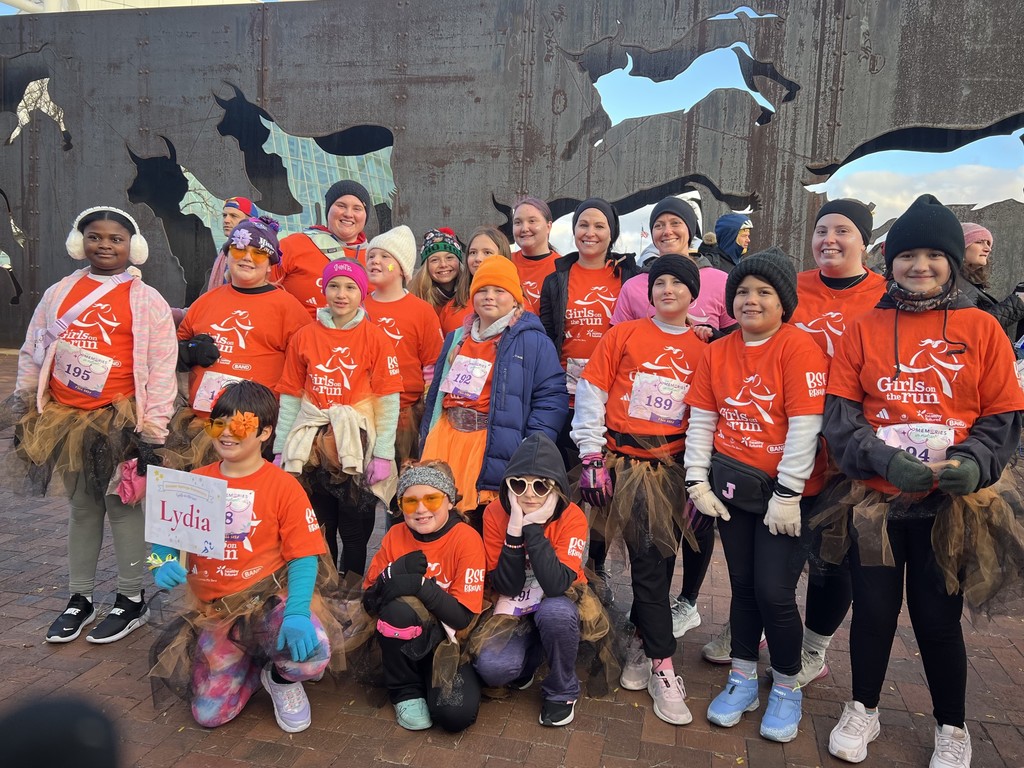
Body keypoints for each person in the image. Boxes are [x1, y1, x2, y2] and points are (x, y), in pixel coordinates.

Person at [823, 195, 1024, 767]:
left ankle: (951, 725)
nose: (920, 266)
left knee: (937, 619)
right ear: (892, 261)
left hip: (949, 508)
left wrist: (975, 462)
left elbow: (1002, 417)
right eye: (908, 254)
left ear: (954, 261)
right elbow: (842, 417)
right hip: (874, 504)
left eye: (934, 255)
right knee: (875, 613)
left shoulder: (982, 327)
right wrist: (882, 460)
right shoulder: (863, 328)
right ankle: (863, 707)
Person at [8, 206, 177, 644]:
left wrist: (153, 432)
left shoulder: (146, 299)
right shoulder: (59, 291)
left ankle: (130, 597)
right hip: (66, 417)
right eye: (95, 236)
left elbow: (161, 367)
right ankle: (79, 597)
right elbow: (33, 348)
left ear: (132, 246)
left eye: (116, 238)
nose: (105, 245)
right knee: (83, 509)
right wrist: (25, 405)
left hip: (120, 420)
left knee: (123, 508)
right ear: (79, 241)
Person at [684, 247, 828, 743]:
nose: (750, 300)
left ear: (784, 302)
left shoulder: (799, 348)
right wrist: (695, 480)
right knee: (743, 587)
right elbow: (704, 418)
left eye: (764, 292)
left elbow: (805, 427)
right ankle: (743, 676)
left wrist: (788, 493)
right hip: (733, 488)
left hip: (784, 496)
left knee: (774, 591)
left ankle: (787, 685)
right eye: (742, 291)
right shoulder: (718, 350)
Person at [149, 381, 342, 733]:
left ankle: (282, 680)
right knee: (209, 714)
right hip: (218, 608)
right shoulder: (194, 480)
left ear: (265, 431)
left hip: (267, 600)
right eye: (218, 424)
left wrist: (298, 612)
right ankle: (253, 668)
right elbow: (164, 538)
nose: (226, 434)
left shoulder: (284, 486)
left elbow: (304, 555)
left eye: (239, 425)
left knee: (310, 655)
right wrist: (160, 563)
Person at [572, 255, 711, 726]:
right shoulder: (623, 335)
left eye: (679, 283)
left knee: (655, 565)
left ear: (694, 293)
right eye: (660, 282)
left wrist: (697, 479)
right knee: (598, 557)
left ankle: (655, 656)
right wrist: (590, 454)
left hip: (667, 470)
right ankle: (646, 647)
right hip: (614, 464)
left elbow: (705, 418)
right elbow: (592, 390)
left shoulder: (704, 348)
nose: (668, 289)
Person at [420, 256, 567, 533]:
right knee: (443, 520)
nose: (489, 297)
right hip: (447, 437)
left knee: (485, 522)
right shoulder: (456, 338)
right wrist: (426, 435)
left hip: (492, 443)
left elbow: (551, 398)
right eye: (482, 290)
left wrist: (531, 446)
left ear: (515, 299)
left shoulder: (533, 340)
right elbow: (437, 396)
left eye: (499, 290)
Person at [275, 258, 401, 576]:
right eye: (333, 285)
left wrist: (384, 454)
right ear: (324, 289)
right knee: (320, 526)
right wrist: (281, 447)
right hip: (313, 445)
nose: (341, 294)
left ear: (361, 293)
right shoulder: (304, 336)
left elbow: (388, 402)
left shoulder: (375, 338)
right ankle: (327, 589)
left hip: (355, 444)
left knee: (354, 530)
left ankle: (351, 594)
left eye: (350, 287)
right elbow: (291, 397)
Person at [539, 197, 639, 578]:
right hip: (565, 396)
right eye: (583, 225)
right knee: (562, 484)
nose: (590, 233)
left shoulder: (629, 275)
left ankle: (596, 572)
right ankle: (557, 565)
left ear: (611, 232)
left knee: (601, 493)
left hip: (611, 399)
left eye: (599, 226)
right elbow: (548, 336)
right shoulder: (557, 278)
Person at [166, 216, 312, 469]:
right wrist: (190, 351)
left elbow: (305, 368)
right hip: (203, 428)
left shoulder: (289, 309)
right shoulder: (205, 302)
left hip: (256, 433)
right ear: (227, 255)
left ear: (270, 265)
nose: (247, 258)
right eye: (239, 249)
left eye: (258, 253)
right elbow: (171, 355)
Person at [472, 433, 593, 727]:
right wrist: (515, 530)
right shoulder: (494, 513)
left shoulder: (573, 517)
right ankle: (534, 651)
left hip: (557, 597)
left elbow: (556, 585)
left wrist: (534, 529)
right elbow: (507, 586)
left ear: (556, 490)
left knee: (555, 613)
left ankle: (562, 690)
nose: (529, 494)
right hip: (513, 601)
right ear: (508, 486)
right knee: (493, 668)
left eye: (541, 486)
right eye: (519, 484)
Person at [362, 461, 486, 732]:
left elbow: (461, 617)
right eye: (410, 502)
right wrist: (391, 574)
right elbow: (369, 601)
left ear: (449, 501)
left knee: (454, 717)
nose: (420, 510)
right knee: (397, 610)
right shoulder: (396, 535)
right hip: (405, 635)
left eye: (431, 499)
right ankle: (404, 689)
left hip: (451, 642)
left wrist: (418, 585)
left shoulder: (466, 538)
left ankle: (427, 676)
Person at [363, 225, 444, 469]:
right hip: (363, 411)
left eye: (385, 256)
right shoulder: (358, 307)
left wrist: (429, 416)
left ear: (402, 268)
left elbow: (432, 367)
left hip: (405, 414)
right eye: (371, 256)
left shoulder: (421, 311)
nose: (375, 261)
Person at [611, 196, 735, 333]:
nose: (667, 231)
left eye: (675, 223)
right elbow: (617, 342)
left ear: (690, 230)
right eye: (658, 225)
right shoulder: (632, 287)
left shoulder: (721, 282)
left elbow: (735, 341)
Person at [273, 180, 373, 316]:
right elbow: (262, 291)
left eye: (357, 208)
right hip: (297, 335)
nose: (349, 214)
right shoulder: (293, 245)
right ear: (328, 210)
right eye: (341, 206)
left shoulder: (375, 258)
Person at [958, 222, 1024, 345]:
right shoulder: (955, 283)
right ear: (960, 246)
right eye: (979, 242)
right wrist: (1018, 303)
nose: (988, 248)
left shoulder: (969, 283)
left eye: (988, 243)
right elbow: (971, 329)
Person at [409, 228, 472, 336]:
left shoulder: (471, 293)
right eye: (435, 260)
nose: (443, 264)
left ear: (459, 261)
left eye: (449, 257)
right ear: (426, 266)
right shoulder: (416, 298)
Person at [510, 197, 560, 314]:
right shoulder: (505, 262)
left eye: (532, 221)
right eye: (518, 222)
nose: (524, 228)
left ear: (548, 226)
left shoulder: (563, 268)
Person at [204, 197, 260, 295]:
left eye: (233, 216)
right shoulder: (224, 251)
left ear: (250, 222)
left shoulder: (256, 253)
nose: (226, 220)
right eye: (224, 215)